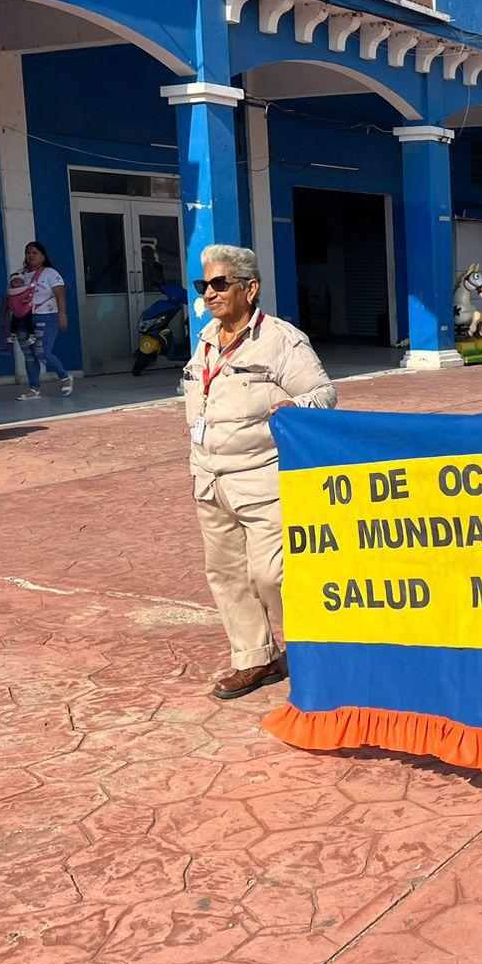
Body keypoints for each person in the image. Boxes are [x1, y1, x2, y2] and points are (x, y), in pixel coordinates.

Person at [183, 244, 337, 700]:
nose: (209, 293)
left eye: (219, 283)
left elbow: (324, 394)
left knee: (272, 575)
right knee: (226, 574)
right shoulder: (206, 339)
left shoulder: (281, 340)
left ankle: (319, 654)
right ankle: (256, 658)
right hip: (211, 478)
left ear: (250, 289)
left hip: (262, 478)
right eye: (203, 285)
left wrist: (296, 405)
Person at [11, 241, 72, 400]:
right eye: (28, 253)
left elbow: (60, 294)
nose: (30, 256)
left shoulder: (51, 273)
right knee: (29, 355)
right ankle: (34, 389)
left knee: (42, 352)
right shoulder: (20, 274)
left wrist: (62, 315)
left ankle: (64, 377)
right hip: (23, 319)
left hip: (46, 316)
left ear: (43, 257)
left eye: (35, 253)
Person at [0, 270, 40, 359]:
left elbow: (30, 295)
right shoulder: (10, 294)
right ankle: (12, 335)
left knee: (29, 323)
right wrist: (3, 316)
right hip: (16, 313)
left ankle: (32, 336)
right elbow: (7, 304)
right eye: (15, 282)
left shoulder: (25, 291)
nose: (18, 284)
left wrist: (26, 300)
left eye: (20, 282)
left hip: (26, 311)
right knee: (14, 323)